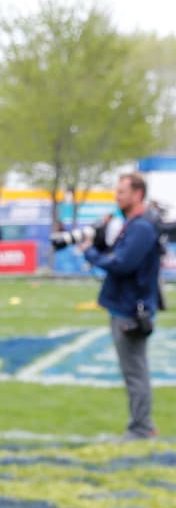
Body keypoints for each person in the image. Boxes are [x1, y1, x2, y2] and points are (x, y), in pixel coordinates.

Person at [82, 171, 164, 440]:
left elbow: (122, 264)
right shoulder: (133, 223)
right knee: (133, 371)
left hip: (130, 310)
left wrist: (90, 253)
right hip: (125, 306)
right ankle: (141, 425)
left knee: (135, 372)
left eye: (122, 192)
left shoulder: (141, 227)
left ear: (137, 194)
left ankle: (141, 427)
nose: (117, 197)